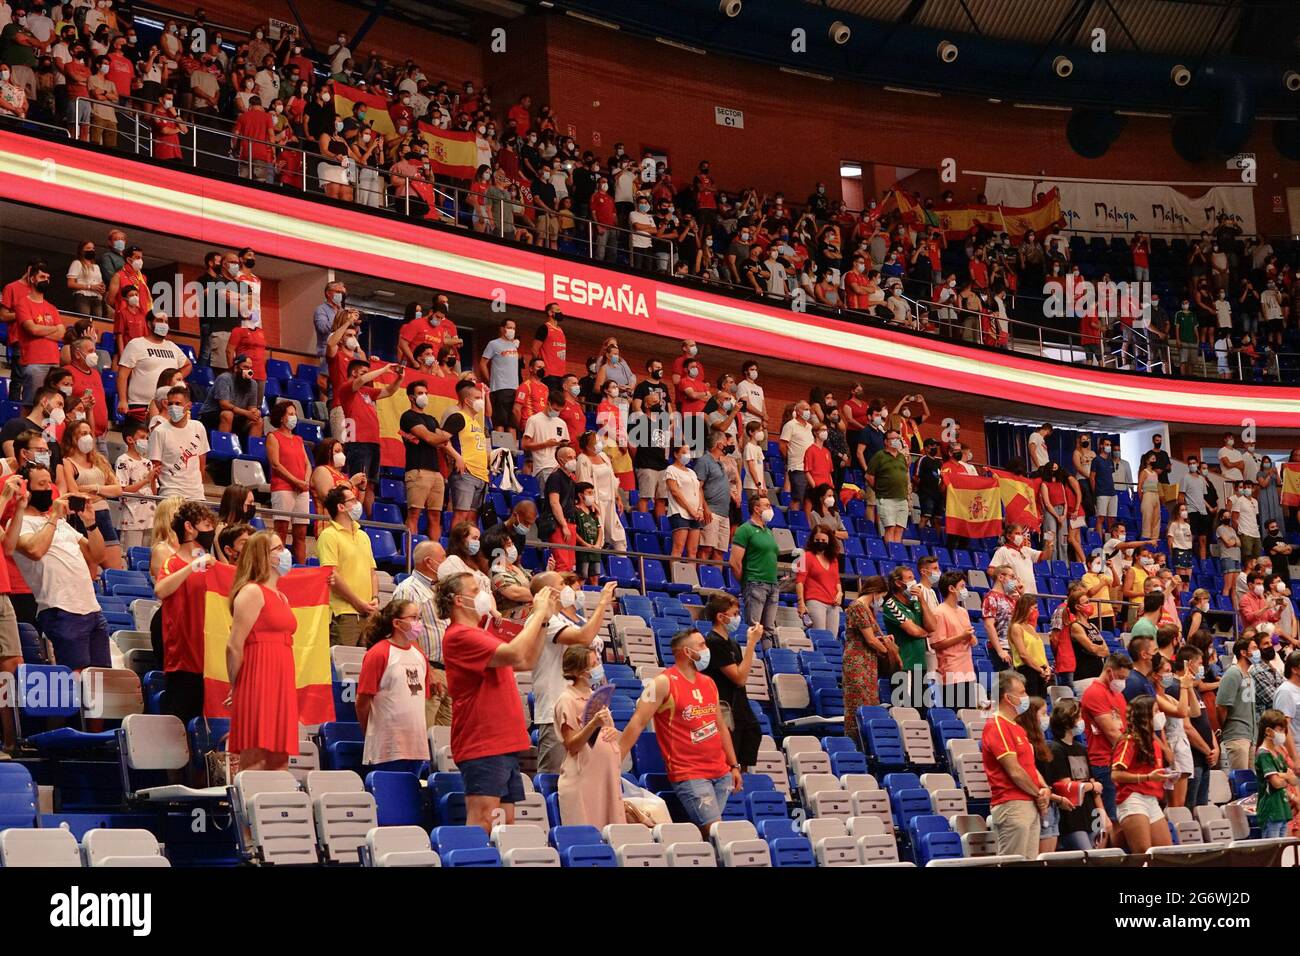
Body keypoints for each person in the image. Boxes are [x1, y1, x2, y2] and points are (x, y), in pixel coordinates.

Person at [439, 572, 559, 833]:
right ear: (459, 601)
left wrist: (544, 621)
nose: (483, 595)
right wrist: (536, 613)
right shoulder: (460, 635)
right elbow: (516, 653)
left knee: (504, 825)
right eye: (474, 590)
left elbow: (526, 661)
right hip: (483, 742)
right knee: (483, 820)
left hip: (503, 743)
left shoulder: (482, 634)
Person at [618, 628, 744, 837]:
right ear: (687, 652)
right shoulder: (663, 682)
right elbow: (637, 722)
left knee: (709, 836)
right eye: (701, 645)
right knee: (716, 833)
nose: (706, 649)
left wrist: (734, 765)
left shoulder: (709, 682)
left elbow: (720, 725)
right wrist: (614, 764)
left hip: (721, 773)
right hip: (690, 773)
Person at [13, 463, 111, 673]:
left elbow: (97, 555)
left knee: (101, 679)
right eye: (42, 484)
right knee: (74, 678)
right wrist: (55, 517)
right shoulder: (20, 522)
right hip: (61, 610)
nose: (49, 488)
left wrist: (91, 524)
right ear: (27, 490)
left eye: (49, 482)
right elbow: (35, 550)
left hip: (92, 608)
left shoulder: (62, 524)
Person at [225, 531, 299, 772]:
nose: (284, 552)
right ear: (263, 556)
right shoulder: (252, 592)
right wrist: (237, 685)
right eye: (278, 549)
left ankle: (276, 808)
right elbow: (234, 645)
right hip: (257, 678)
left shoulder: (283, 596)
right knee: (255, 755)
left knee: (280, 757)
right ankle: (247, 807)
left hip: (281, 678)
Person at [531, 573, 618, 773]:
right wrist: (603, 602)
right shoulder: (544, 620)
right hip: (556, 709)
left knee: (584, 775)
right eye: (562, 583)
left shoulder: (566, 620)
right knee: (554, 777)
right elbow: (584, 636)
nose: (569, 588)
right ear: (547, 592)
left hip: (583, 709)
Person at [355, 599, 431, 775]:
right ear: (397, 623)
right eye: (413, 617)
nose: (418, 623)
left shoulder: (419, 654)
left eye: (419, 618)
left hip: (416, 746)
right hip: (388, 746)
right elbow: (362, 702)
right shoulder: (379, 653)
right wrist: (371, 734)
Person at [554, 643, 624, 830]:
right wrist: (593, 724)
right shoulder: (567, 699)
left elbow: (608, 731)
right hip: (583, 780)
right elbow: (572, 744)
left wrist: (611, 732)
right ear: (578, 671)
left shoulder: (597, 696)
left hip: (606, 778)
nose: (598, 667)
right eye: (593, 664)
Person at [981, 669, 1049, 861]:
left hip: (1029, 803)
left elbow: (1028, 766)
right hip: (1013, 804)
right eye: (1021, 693)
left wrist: (1044, 788)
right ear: (1007, 697)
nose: (1026, 697)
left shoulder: (1017, 727)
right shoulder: (997, 726)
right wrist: (1038, 794)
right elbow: (1015, 771)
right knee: (1013, 862)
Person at [699, 593, 764, 770]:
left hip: (741, 706)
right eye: (734, 614)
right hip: (725, 708)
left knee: (751, 739)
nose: (738, 618)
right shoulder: (713, 642)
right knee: (730, 761)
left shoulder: (733, 644)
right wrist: (751, 644)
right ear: (721, 617)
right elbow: (740, 678)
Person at [390, 540, 451, 727]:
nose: (447, 561)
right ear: (429, 562)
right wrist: (427, 672)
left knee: (447, 744)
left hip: (448, 671)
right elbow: (404, 635)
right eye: (443, 558)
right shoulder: (408, 589)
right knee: (425, 734)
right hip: (426, 672)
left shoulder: (440, 589)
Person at [1111, 694, 1174, 854]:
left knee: (1164, 853)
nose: (1160, 715)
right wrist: (1146, 777)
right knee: (1143, 853)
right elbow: (1116, 775)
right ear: (1145, 716)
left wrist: (1168, 777)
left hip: (1152, 799)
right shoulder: (1129, 741)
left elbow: (1154, 772)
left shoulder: (1154, 743)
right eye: (1156, 711)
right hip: (1133, 799)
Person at [318, 485, 377, 648]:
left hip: (368, 613)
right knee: (342, 666)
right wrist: (358, 603)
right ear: (341, 507)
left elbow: (372, 572)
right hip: (344, 614)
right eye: (353, 500)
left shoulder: (363, 535)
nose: (358, 503)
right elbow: (332, 576)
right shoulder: (328, 535)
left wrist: (375, 599)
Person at [1044, 698, 1106, 852]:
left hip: (1090, 811)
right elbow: (1067, 787)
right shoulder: (1056, 749)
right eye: (1078, 717)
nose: (1081, 720)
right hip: (1072, 816)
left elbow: (1093, 784)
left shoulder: (1081, 748)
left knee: (1097, 855)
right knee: (1087, 856)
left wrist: (1102, 812)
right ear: (1067, 721)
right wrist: (1091, 786)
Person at [1080, 652, 1133, 821]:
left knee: (1124, 815)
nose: (1122, 682)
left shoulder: (1117, 694)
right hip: (1104, 762)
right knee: (1111, 818)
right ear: (1109, 672)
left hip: (1120, 761)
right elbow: (1111, 732)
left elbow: (1126, 727)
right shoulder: (1095, 693)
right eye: (1120, 677)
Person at [398, 378, 450, 539]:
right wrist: (440, 436)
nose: (424, 396)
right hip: (418, 470)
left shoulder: (431, 418)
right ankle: (411, 553)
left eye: (426, 393)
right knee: (414, 513)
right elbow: (431, 438)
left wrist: (439, 437)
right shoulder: (408, 417)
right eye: (420, 393)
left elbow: (442, 441)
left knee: (435, 516)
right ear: (411, 397)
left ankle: (435, 553)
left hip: (436, 473)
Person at [730, 495, 780, 646]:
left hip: (772, 583)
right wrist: (747, 582)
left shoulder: (768, 531)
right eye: (767, 505)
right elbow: (734, 562)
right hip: (755, 583)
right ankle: (753, 659)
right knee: (754, 627)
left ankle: (767, 661)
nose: (770, 509)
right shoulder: (745, 530)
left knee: (769, 629)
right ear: (756, 509)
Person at [265, 401, 310, 565]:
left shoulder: (299, 439)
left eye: (295, 414)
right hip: (283, 487)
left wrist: (305, 482)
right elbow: (275, 464)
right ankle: (278, 565)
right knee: (281, 531)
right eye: (290, 414)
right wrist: (296, 481)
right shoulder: (273, 436)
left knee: (301, 533)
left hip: (302, 490)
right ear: (282, 418)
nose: (294, 417)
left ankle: (301, 567)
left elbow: (307, 464)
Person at [442, 379, 490, 529]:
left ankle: (467, 550)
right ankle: (453, 548)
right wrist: (457, 457)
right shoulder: (458, 417)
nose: (480, 401)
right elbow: (442, 439)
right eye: (477, 398)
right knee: (461, 515)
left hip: (481, 475)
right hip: (465, 473)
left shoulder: (476, 422)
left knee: (472, 517)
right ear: (467, 401)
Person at [148, 386, 209, 500]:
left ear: (188, 406)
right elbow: (155, 468)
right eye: (170, 404)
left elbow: (202, 464)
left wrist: (198, 487)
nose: (173, 407)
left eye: (178, 403)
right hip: (170, 494)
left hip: (196, 494)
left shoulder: (198, 427)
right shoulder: (159, 431)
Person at [929, 570, 980, 708]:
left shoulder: (963, 611)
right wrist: (962, 636)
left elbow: (968, 636)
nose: (965, 590)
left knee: (969, 714)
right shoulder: (939, 612)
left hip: (967, 671)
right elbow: (936, 643)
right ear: (951, 588)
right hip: (951, 672)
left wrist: (971, 638)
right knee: (957, 711)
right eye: (962, 586)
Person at [1216, 636, 1260, 770]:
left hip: (1251, 736)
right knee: (1240, 782)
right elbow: (1221, 706)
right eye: (1254, 648)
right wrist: (1228, 726)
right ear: (1243, 652)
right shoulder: (1233, 673)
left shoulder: (1250, 675)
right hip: (1237, 735)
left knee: (1251, 785)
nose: (1257, 651)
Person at [114, 419, 157, 554]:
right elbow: (123, 489)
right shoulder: (123, 460)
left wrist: (153, 479)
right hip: (132, 518)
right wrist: (145, 480)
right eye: (143, 437)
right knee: (131, 555)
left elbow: (154, 491)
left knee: (147, 557)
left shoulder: (148, 462)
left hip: (150, 516)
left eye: (147, 438)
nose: (146, 441)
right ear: (130, 439)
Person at [199, 354, 263, 440]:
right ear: (236, 368)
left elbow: (252, 407)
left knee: (258, 420)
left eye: (250, 368)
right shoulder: (224, 379)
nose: (249, 371)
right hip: (212, 413)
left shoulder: (253, 384)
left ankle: (253, 452)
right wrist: (246, 413)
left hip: (237, 416)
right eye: (245, 367)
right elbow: (224, 405)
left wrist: (254, 413)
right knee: (228, 414)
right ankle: (223, 448)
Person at [1254, 709, 1296, 839]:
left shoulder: (1278, 754)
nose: (1282, 734)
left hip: (1282, 811)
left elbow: (1294, 780)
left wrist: (1283, 776)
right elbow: (1276, 783)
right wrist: (1285, 777)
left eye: (1284, 731)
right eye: (1280, 730)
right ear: (1268, 731)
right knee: (1272, 855)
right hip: (1270, 811)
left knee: (1281, 854)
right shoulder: (1263, 754)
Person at [479, 319, 521, 435]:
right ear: (502, 328)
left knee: (512, 422)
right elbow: (482, 363)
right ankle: (502, 449)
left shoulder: (514, 345)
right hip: (500, 388)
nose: (512, 330)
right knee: (500, 421)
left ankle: (512, 452)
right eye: (509, 327)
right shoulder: (494, 344)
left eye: (514, 328)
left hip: (514, 388)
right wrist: (490, 380)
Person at [796, 529, 842, 636]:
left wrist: (840, 593)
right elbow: (799, 582)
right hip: (815, 602)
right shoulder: (806, 556)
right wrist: (801, 603)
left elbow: (837, 580)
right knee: (819, 636)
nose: (820, 542)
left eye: (823, 540)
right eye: (817, 539)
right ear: (812, 540)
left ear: (829, 541)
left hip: (833, 604)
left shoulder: (833, 559)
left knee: (832, 638)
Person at [987, 523, 1053, 597]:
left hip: (1031, 594)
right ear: (1008, 536)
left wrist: (1049, 544)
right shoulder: (1003, 550)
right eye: (1017, 533)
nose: (1020, 536)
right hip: (1014, 595)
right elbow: (991, 571)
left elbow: (1046, 556)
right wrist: (1009, 586)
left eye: (1021, 534)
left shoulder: (1027, 550)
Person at [664, 441, 704, 559]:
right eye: (684, 452)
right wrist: (690, 509)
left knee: (693, 550)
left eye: (688, 452)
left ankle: (691, 576)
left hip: (696, 514)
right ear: (676, 454)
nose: (687, 455)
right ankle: (675, 576)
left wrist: (700, 509)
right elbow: (676, 492)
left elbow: (699, 490)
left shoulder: (691, 472)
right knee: (678, 548)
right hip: (680, 513)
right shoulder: (671, 470)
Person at [1007, 594, 1050, 698]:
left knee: (1040, 705)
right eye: (1034, 608)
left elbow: (1040, 651)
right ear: (1026, 609)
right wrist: (1039, 669)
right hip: (1027, 671)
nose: (1037, 611)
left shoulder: (1031, 627)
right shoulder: (1016, 627)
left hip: (1040, 671)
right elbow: (1023, 654)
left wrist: (1047, 667)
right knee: (1031, 705)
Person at [981, 565, 1019, 672]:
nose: (1014, 581)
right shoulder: (991, 597)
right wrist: (1000, 651)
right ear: (1001, 577)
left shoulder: (1011, 599)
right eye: (1011, 577)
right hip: (1002, 647)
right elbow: (989, 625)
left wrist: (1021, 594)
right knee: (1006, 685)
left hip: (1014, 647)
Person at [779, 401, 814, 505]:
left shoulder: (810, 427)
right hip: (797, 467)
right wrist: (789, 458)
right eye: (805, 409)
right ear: (798, 411)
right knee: (797, 497)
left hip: (810, 468)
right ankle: (794, 517)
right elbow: (782, 445)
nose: (808, 412)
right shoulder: (790, 425)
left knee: (809, 498)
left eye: (809, 409)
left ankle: (808, 521)